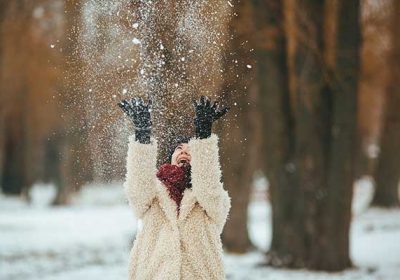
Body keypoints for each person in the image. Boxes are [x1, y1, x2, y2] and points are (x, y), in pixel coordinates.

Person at [118, 96, 231, 280]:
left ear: (200, 158)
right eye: (179, 148)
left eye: (191, 149)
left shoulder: (213, 200)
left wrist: (203, 137)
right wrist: (142, 136)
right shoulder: (153, 193)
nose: (184, 151)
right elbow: (137, 188)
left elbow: (207, 186)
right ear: (171, 157)